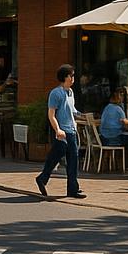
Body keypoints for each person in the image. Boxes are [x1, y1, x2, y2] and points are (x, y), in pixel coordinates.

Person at [35, 64, 85, 199]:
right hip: (62, 133)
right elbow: (51, 114)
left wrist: (82, 115)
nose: (73, 78)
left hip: (72, 131)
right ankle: (42, 178)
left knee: (73, 161)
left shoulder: (70, 92)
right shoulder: (56, 93)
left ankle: (73, 190)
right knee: (55, 157)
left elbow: (72, 110)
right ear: (65, 77)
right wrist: (58, 130)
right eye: (72, 75)